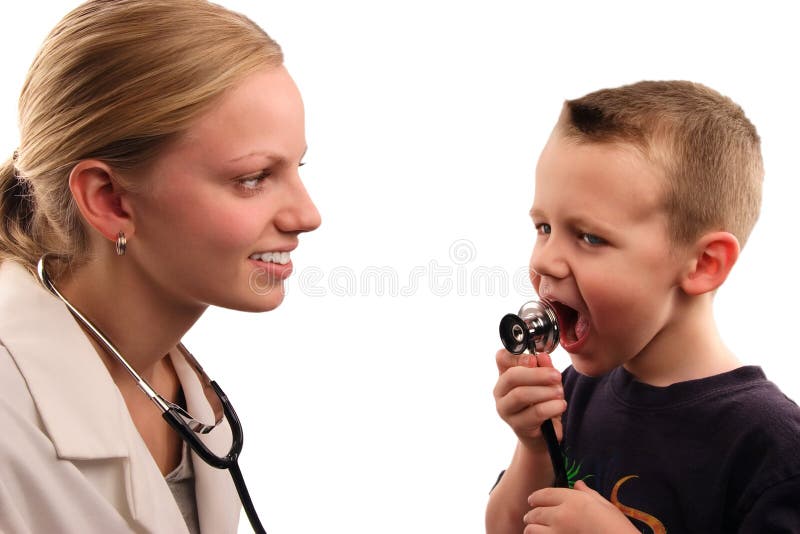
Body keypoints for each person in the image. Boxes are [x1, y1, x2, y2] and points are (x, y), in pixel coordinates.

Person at [0, 1, 320, 532]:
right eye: (254, 177)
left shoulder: (185, 392)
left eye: (297, 166)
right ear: (110, 200)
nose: (308, 216)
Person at [486, 81, 800, 533]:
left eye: (590, 237)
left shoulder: (770, 449)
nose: (544, 259)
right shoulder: (575, 394)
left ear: (703, 264)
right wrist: (534, 448)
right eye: (543, 226)